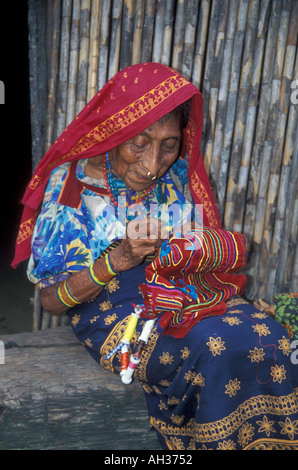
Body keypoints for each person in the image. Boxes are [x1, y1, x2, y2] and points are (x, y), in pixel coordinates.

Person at [13, 63, 298, 450]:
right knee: (214, 346)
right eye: (140, 143)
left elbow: (195, 257)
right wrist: (117, 260)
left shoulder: (177, 177)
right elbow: (51, 301)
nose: (152, 165)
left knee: (275, 338)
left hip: (186, 294)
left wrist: (202, 250)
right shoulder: (70, 188)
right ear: (114, 132)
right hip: (115, 316)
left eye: (169, 144)